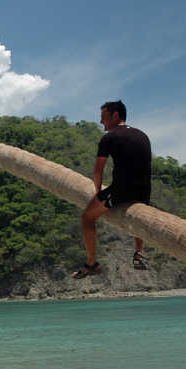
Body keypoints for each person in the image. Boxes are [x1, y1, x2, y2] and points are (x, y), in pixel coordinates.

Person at [72, 100, 152, 278]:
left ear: (115, 115)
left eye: (103, 117)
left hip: (123, 191)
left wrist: (98, 192)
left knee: (87, 217)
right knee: (139, 216)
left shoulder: (109, 137)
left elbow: (98, 170)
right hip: (144, 191)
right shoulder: (143, 135)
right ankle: (138, 253)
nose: (101, 122)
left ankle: (91, 262)